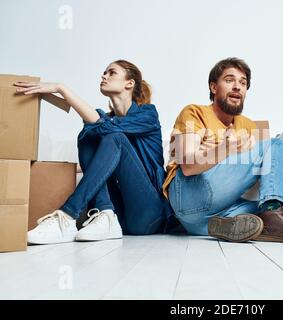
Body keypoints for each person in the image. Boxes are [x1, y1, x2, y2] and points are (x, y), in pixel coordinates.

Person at [162, 57, 283, 243]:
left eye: (243, 83)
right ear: (213, 87)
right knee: (279, 144)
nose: (237, 87)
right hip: (188, 196)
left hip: (212, 216)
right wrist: (226, 148)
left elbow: (257, 168)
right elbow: (188, 165)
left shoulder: (247, 126)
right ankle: (272, 216)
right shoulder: (194, 112)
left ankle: (239, 226)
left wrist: (214, 151)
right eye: (229, 80)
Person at [15, 60, 172, 244]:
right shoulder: (107, 118)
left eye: (111, 73)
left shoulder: (148, 114)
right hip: (118, 214)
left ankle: (67, 215)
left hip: (147, 213)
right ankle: (105, 213)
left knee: (113, 136)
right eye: (104, 72)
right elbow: (97, 126)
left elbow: (105, 127)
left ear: (129, 83)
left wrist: (61, 88)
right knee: (88, 136)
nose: (104, 76)